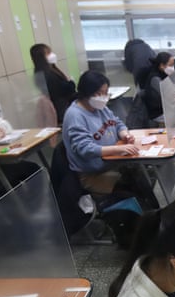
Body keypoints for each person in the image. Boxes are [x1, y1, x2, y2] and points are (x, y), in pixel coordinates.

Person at [62, 70, 154, 201]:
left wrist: (124, 134)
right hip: (93, 175)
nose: (104, 97)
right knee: (132, 185)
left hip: (112, 163)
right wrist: (118, 149)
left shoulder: (100, 108)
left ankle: (152, 209)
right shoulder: (75, 116)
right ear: (86, 93)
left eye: (105, 93)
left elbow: (117, 122)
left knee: (143, 174)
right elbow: (85, 149)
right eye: (99, 93)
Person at [29, 43, 77, 123]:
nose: (52, 55)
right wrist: (71, 82)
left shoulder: (44, 72)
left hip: (61, 106)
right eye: (48, 53)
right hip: (61, 108)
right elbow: (65, 89)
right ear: (41, 57)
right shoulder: (48, 74)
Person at [142, 52, 175, 121]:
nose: (172, 68)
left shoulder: (163, 74)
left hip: (166, 110)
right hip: (158, 113)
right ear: (162, 65)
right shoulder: (155, 78)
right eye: (171, 65)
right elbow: (168, 94)